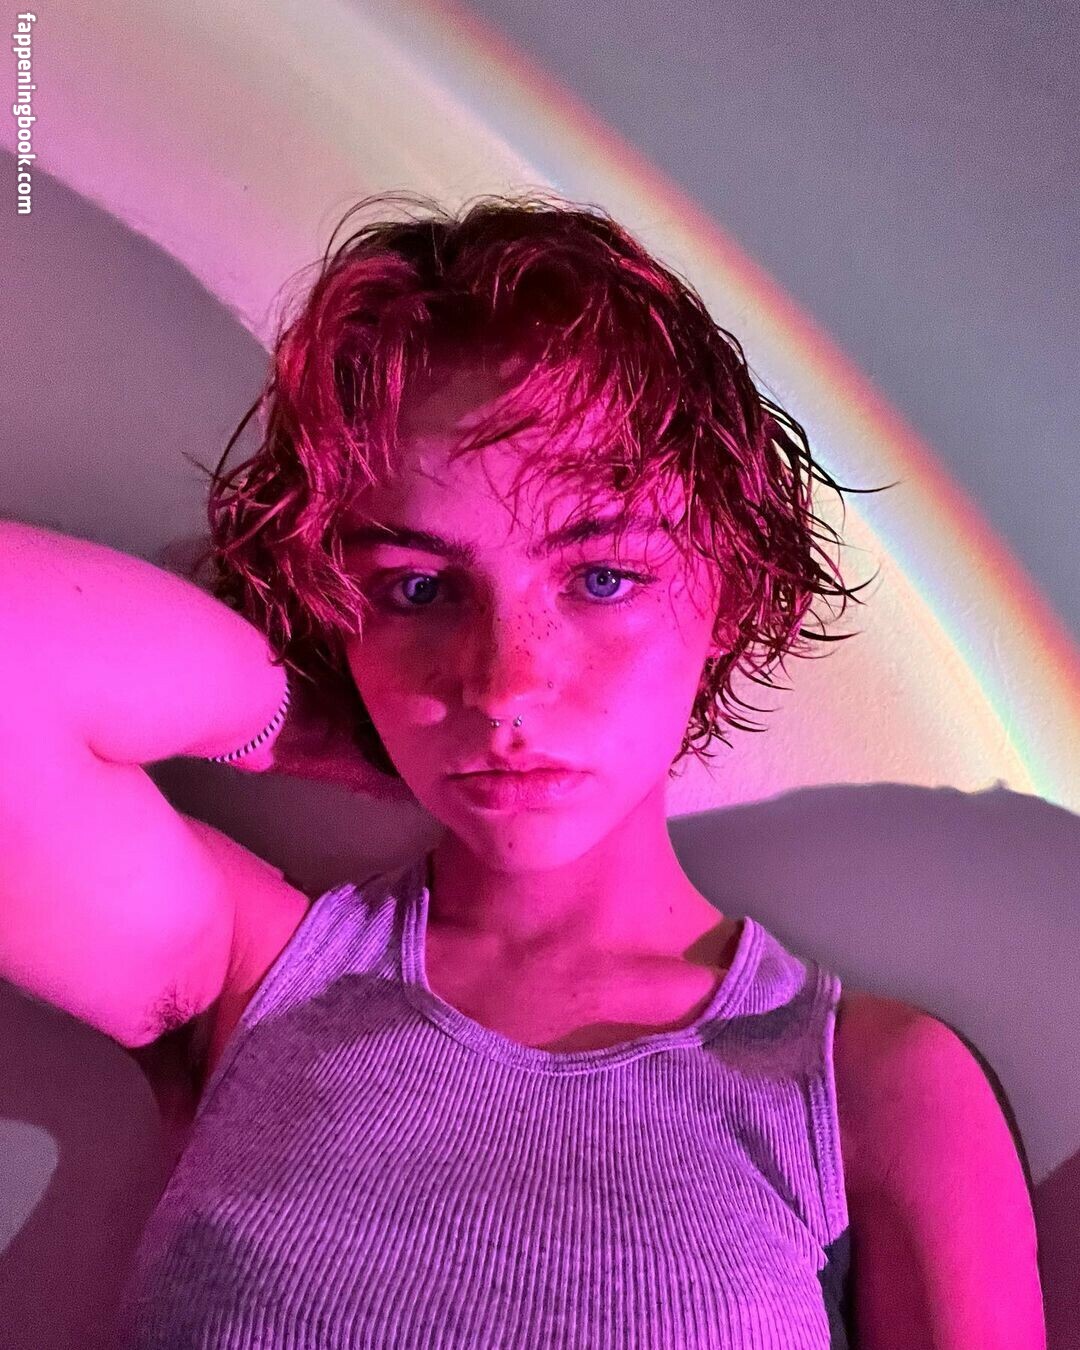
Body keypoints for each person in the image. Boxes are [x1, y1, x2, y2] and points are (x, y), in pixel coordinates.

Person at [0, 191, 1043, 1349]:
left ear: (732, 587)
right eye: (417, 589)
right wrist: (311, 721)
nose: (505, 688)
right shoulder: (256, 976)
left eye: (601, 578)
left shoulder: (873, 1087)